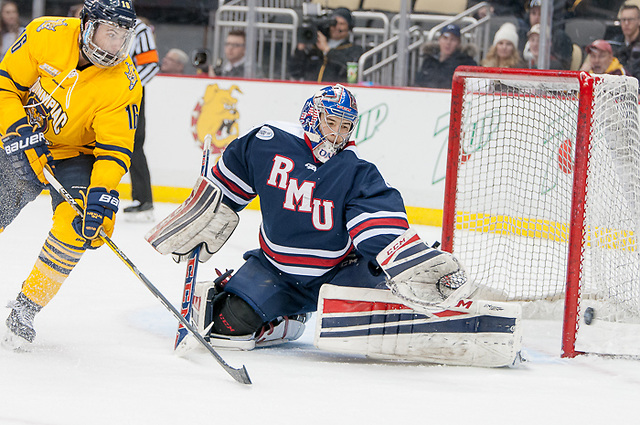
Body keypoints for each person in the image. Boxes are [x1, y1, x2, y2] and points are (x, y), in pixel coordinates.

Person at [144, 84, 518, 365]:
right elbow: (227, 187)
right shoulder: (267, 141)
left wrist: (406, 260)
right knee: (227, 326)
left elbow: (377, 228)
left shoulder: (355, 170)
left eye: (344, 127)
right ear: (311, 114)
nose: (336, 135)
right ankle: (287, 319)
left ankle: (454, 309)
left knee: (399, 313)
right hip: (275, 270)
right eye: (330, 122)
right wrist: (208, 211)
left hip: (339, 274)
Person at [0, 0, 142, 347]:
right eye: (109, 33)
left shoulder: (125, 83)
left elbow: (114, 150)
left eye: (122, 36)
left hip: (76, 156)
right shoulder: (45, 34)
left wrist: (102, 193)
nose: (114, 46)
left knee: (78, 224)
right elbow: (5, 85)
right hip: (26, 137)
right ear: (86, 24)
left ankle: (26, 306)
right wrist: (17, 130)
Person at [122, 17, 160, 221]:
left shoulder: (138, 28)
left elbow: (150, 65)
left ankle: (143, 200)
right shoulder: (94, 21)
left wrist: (128, 88)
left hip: (129, 97)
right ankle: (82, 194)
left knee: (133, 144)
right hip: (96, 92)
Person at [288, 7, 363, 83]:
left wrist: (327, 50)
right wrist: (300, 49)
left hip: (335, 92)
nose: (337, 27)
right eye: (334, 23)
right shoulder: (315, 48)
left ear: (349, 27)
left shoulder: (354, 49)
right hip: (313, 92)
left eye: (342, 24)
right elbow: (295, 73)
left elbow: (349, 69)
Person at [414, 24, 477, 89]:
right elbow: (418, 84)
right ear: (439, 40)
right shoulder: (429, 60)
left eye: (453, 39)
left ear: (458, 43)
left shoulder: (466, 63)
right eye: (445, 38)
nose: (448, 43)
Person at [612, 3, 640, 81]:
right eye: (623, 20)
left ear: (639, 21)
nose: (626, 23)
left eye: (630, 19)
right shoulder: (615, 43)